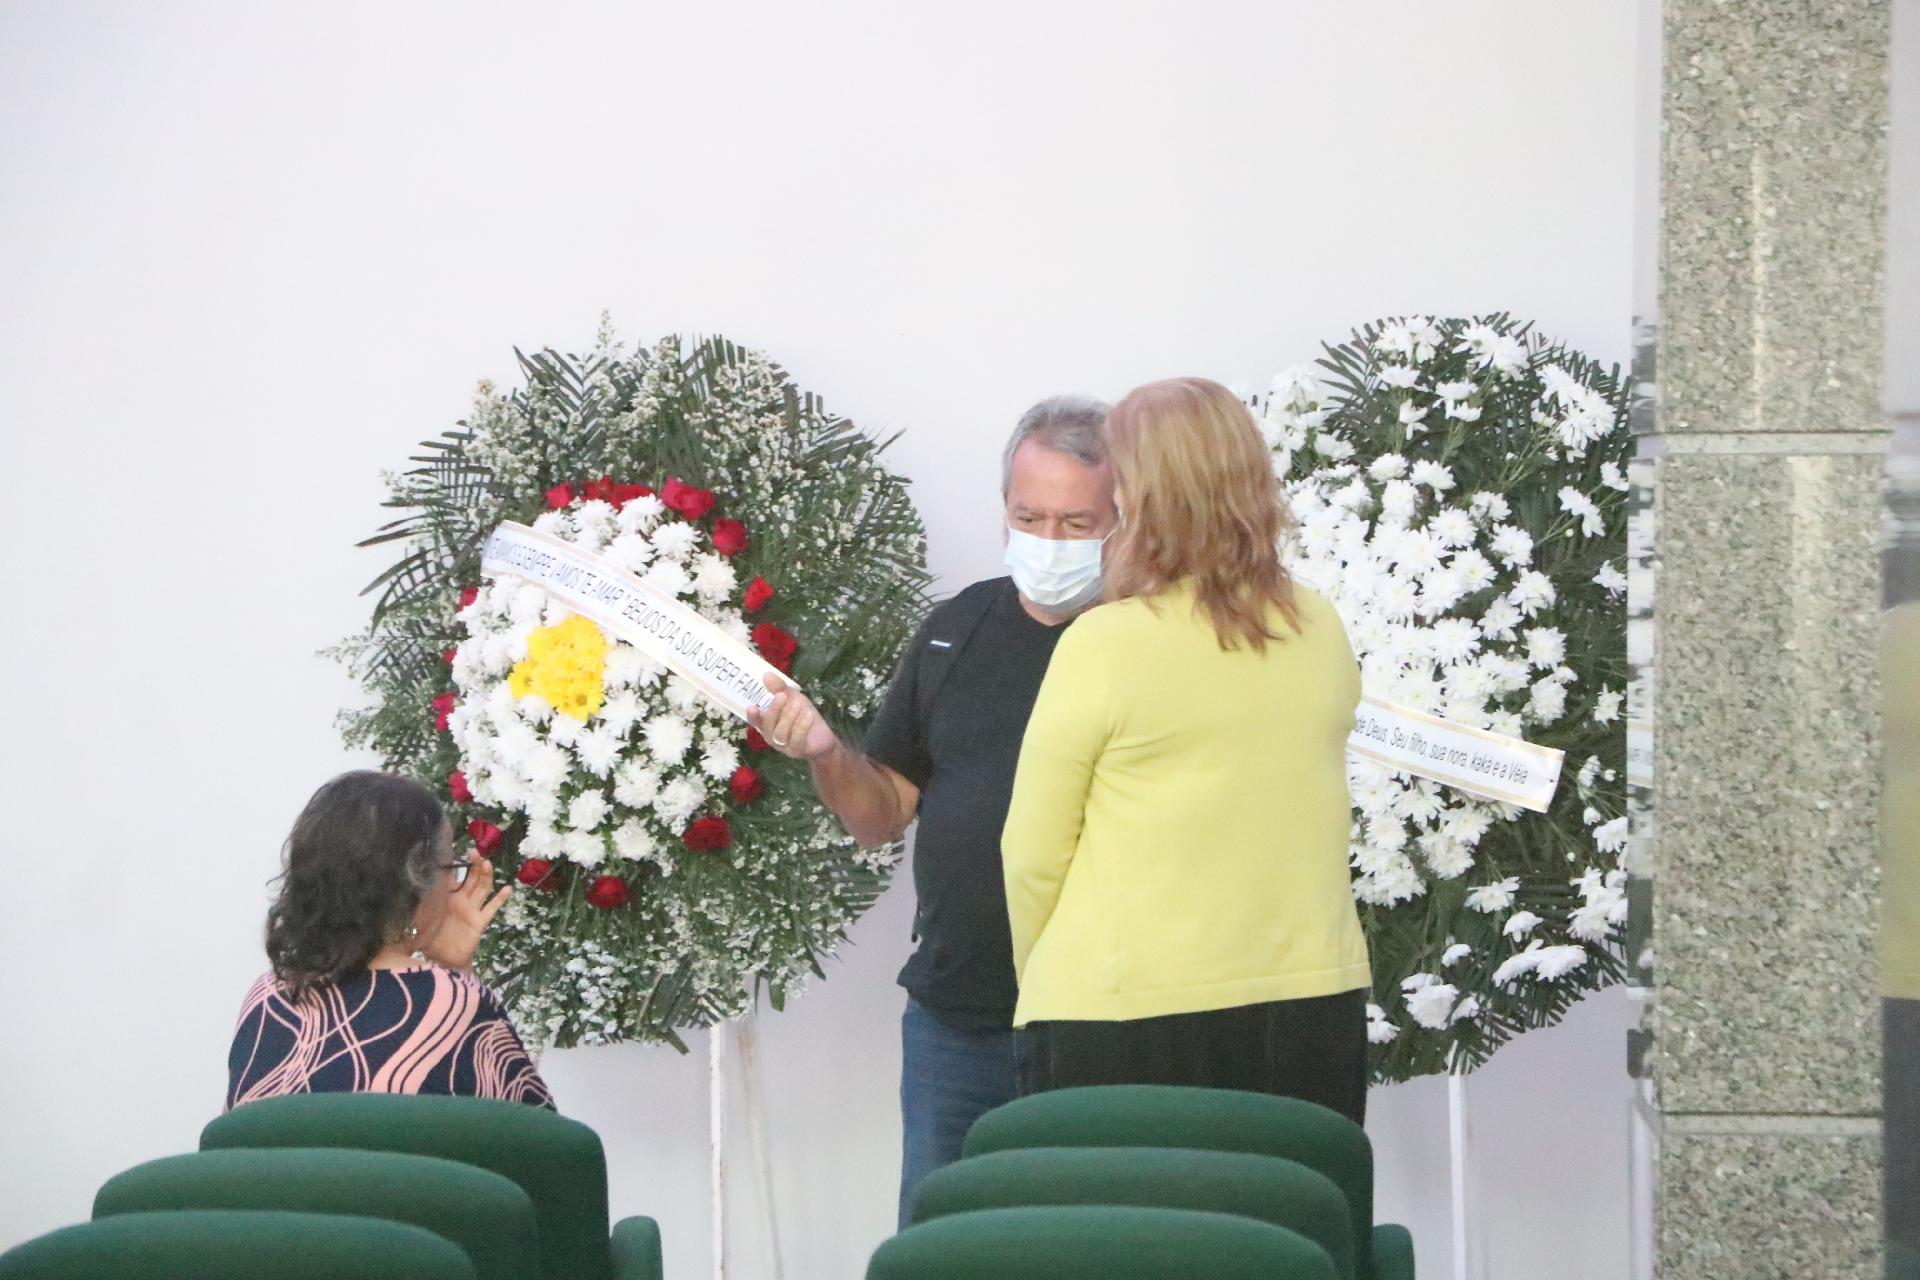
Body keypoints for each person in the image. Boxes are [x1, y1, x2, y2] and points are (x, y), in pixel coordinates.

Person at [749, 395, 1118, 1226]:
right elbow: (880, 815)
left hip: (1105, 1027)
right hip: (958, 1020)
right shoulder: (957, 629)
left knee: (1093, 1243)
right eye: (1029, 516)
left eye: (1075, 521)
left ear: (1123, 523)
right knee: (942, 1243)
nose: (1049, 543)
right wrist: (826, 754)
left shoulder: (1147, 639)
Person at [1000, 376, 1372, 1124]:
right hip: (1308, 1005)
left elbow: (1033, 853)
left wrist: (1048, 980)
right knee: (1288, 1234)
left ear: (1140, 502)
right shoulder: (1319, 626)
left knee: (1131, 1241)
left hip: (1120, 1012)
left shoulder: (1104, 642)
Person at [227, 770, 554, 1110]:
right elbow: (540, 1143)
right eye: (450, 867)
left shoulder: (266, 999)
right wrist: (458, 976)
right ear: (417, 880)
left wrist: (452, 967)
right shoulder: (456, 1001)